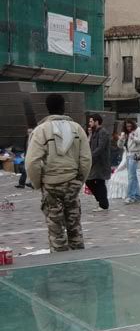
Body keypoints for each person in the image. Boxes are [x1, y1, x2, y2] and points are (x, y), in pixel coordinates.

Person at [25, 94, 91, 252]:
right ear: (63, 107)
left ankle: (60, 267)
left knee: (56, 230)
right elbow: (86, 160)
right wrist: (79, 181)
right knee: (75, 227)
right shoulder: (77, 129)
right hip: (72, 183)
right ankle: (80, 263)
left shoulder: (41, 131)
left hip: (51, 185)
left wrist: (38, 183)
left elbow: (32, 161)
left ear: (47, 109)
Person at [85, 114, 111, 211]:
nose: (89, 123)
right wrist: (90, 134)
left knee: (99, 182)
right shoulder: (94, 132)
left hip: (101, 162)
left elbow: (100, 148)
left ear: (96, 122)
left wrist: (90, 157)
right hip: (95, 162)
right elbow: (89, 145)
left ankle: (103, 204)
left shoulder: (103, 132)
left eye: (91, 121)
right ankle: (102, 201)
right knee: (89, 180)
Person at [119, 119, 140, 204]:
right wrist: (121, 139)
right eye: (127, 126)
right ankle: (137, 196)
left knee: (131, 176)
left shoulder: (137, 130)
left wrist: (134, 138)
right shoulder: (125, 133)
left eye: (130, 126)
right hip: (127, 155)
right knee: (132, 177)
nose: (129, 128)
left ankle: (130, 196)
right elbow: (119, 146)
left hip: (134, 155)